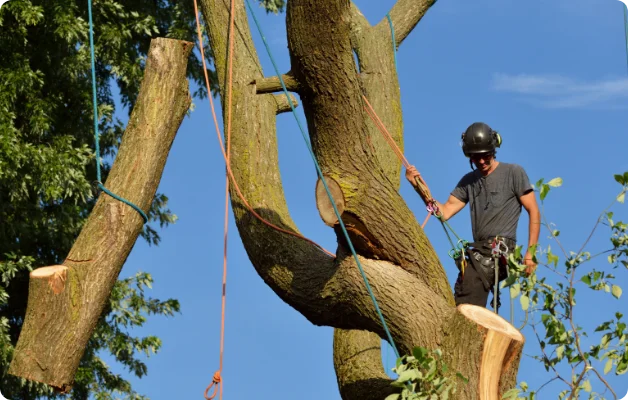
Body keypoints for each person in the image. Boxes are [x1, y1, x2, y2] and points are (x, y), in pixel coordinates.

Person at [405, 122, 541, 310]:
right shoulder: (469, 181)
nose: (482, 162)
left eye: (485, 156)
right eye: (476, 158)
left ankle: (468, 331)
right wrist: (419, 187)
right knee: (462, 294)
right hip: (479, 252)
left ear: (494, 150)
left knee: (467, 302)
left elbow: (534, 210)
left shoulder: (513, 173)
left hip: (499, 250)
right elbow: (444, 212)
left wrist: (530, 254)